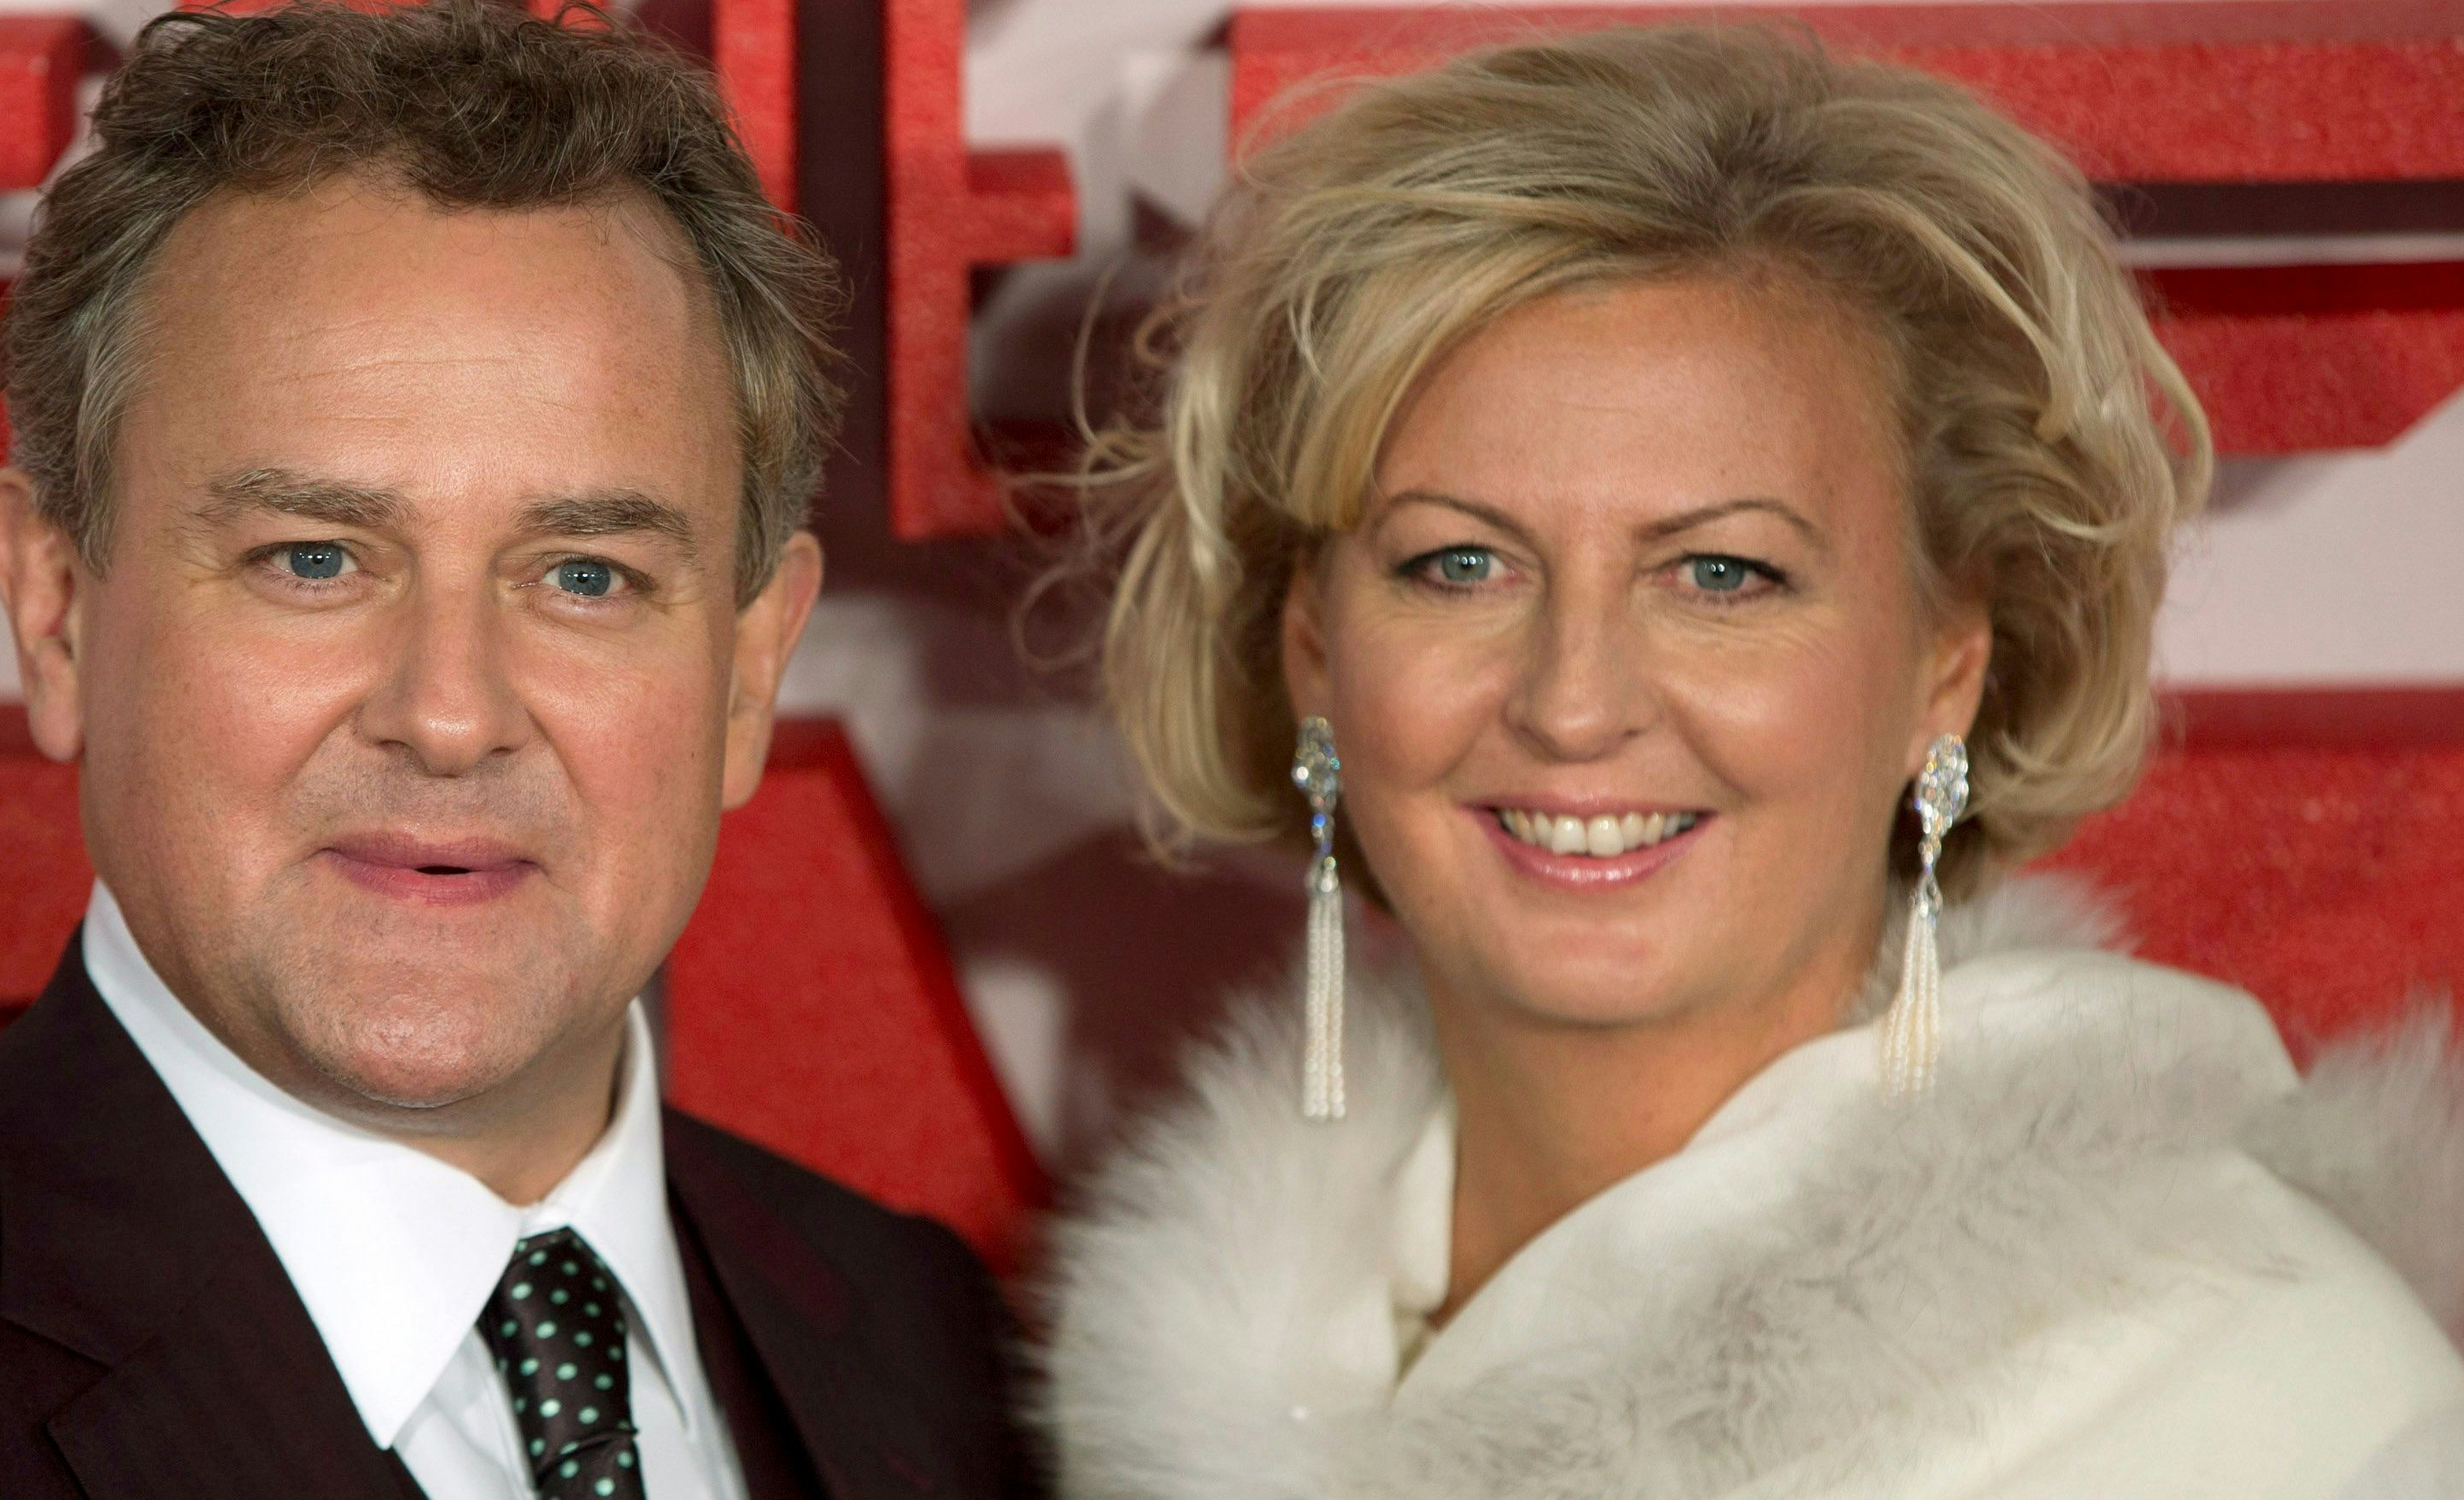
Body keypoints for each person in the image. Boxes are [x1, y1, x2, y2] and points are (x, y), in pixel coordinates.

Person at [0, 5, 1030, 1498]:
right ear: (57, 612)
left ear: (749, 668)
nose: (450, 713)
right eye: (314, 559)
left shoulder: (933, 1343)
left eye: (584, 575)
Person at [1046, 24, 2464, 1498]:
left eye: (1722, 574)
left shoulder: (2288, 1404)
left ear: (1945, 665)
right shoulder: (1187, 1379)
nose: (1574, 703)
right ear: (1313, 651)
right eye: (1459, 562)